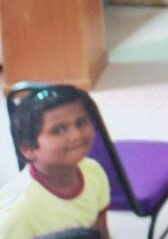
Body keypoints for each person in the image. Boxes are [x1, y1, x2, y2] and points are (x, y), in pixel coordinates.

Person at [0, 85, 110, 239]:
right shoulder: (16, 213)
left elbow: (101, 231)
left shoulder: (93, 171)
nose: (77, 135)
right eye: (58, 130)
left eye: (81, 122)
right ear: (27, 149)